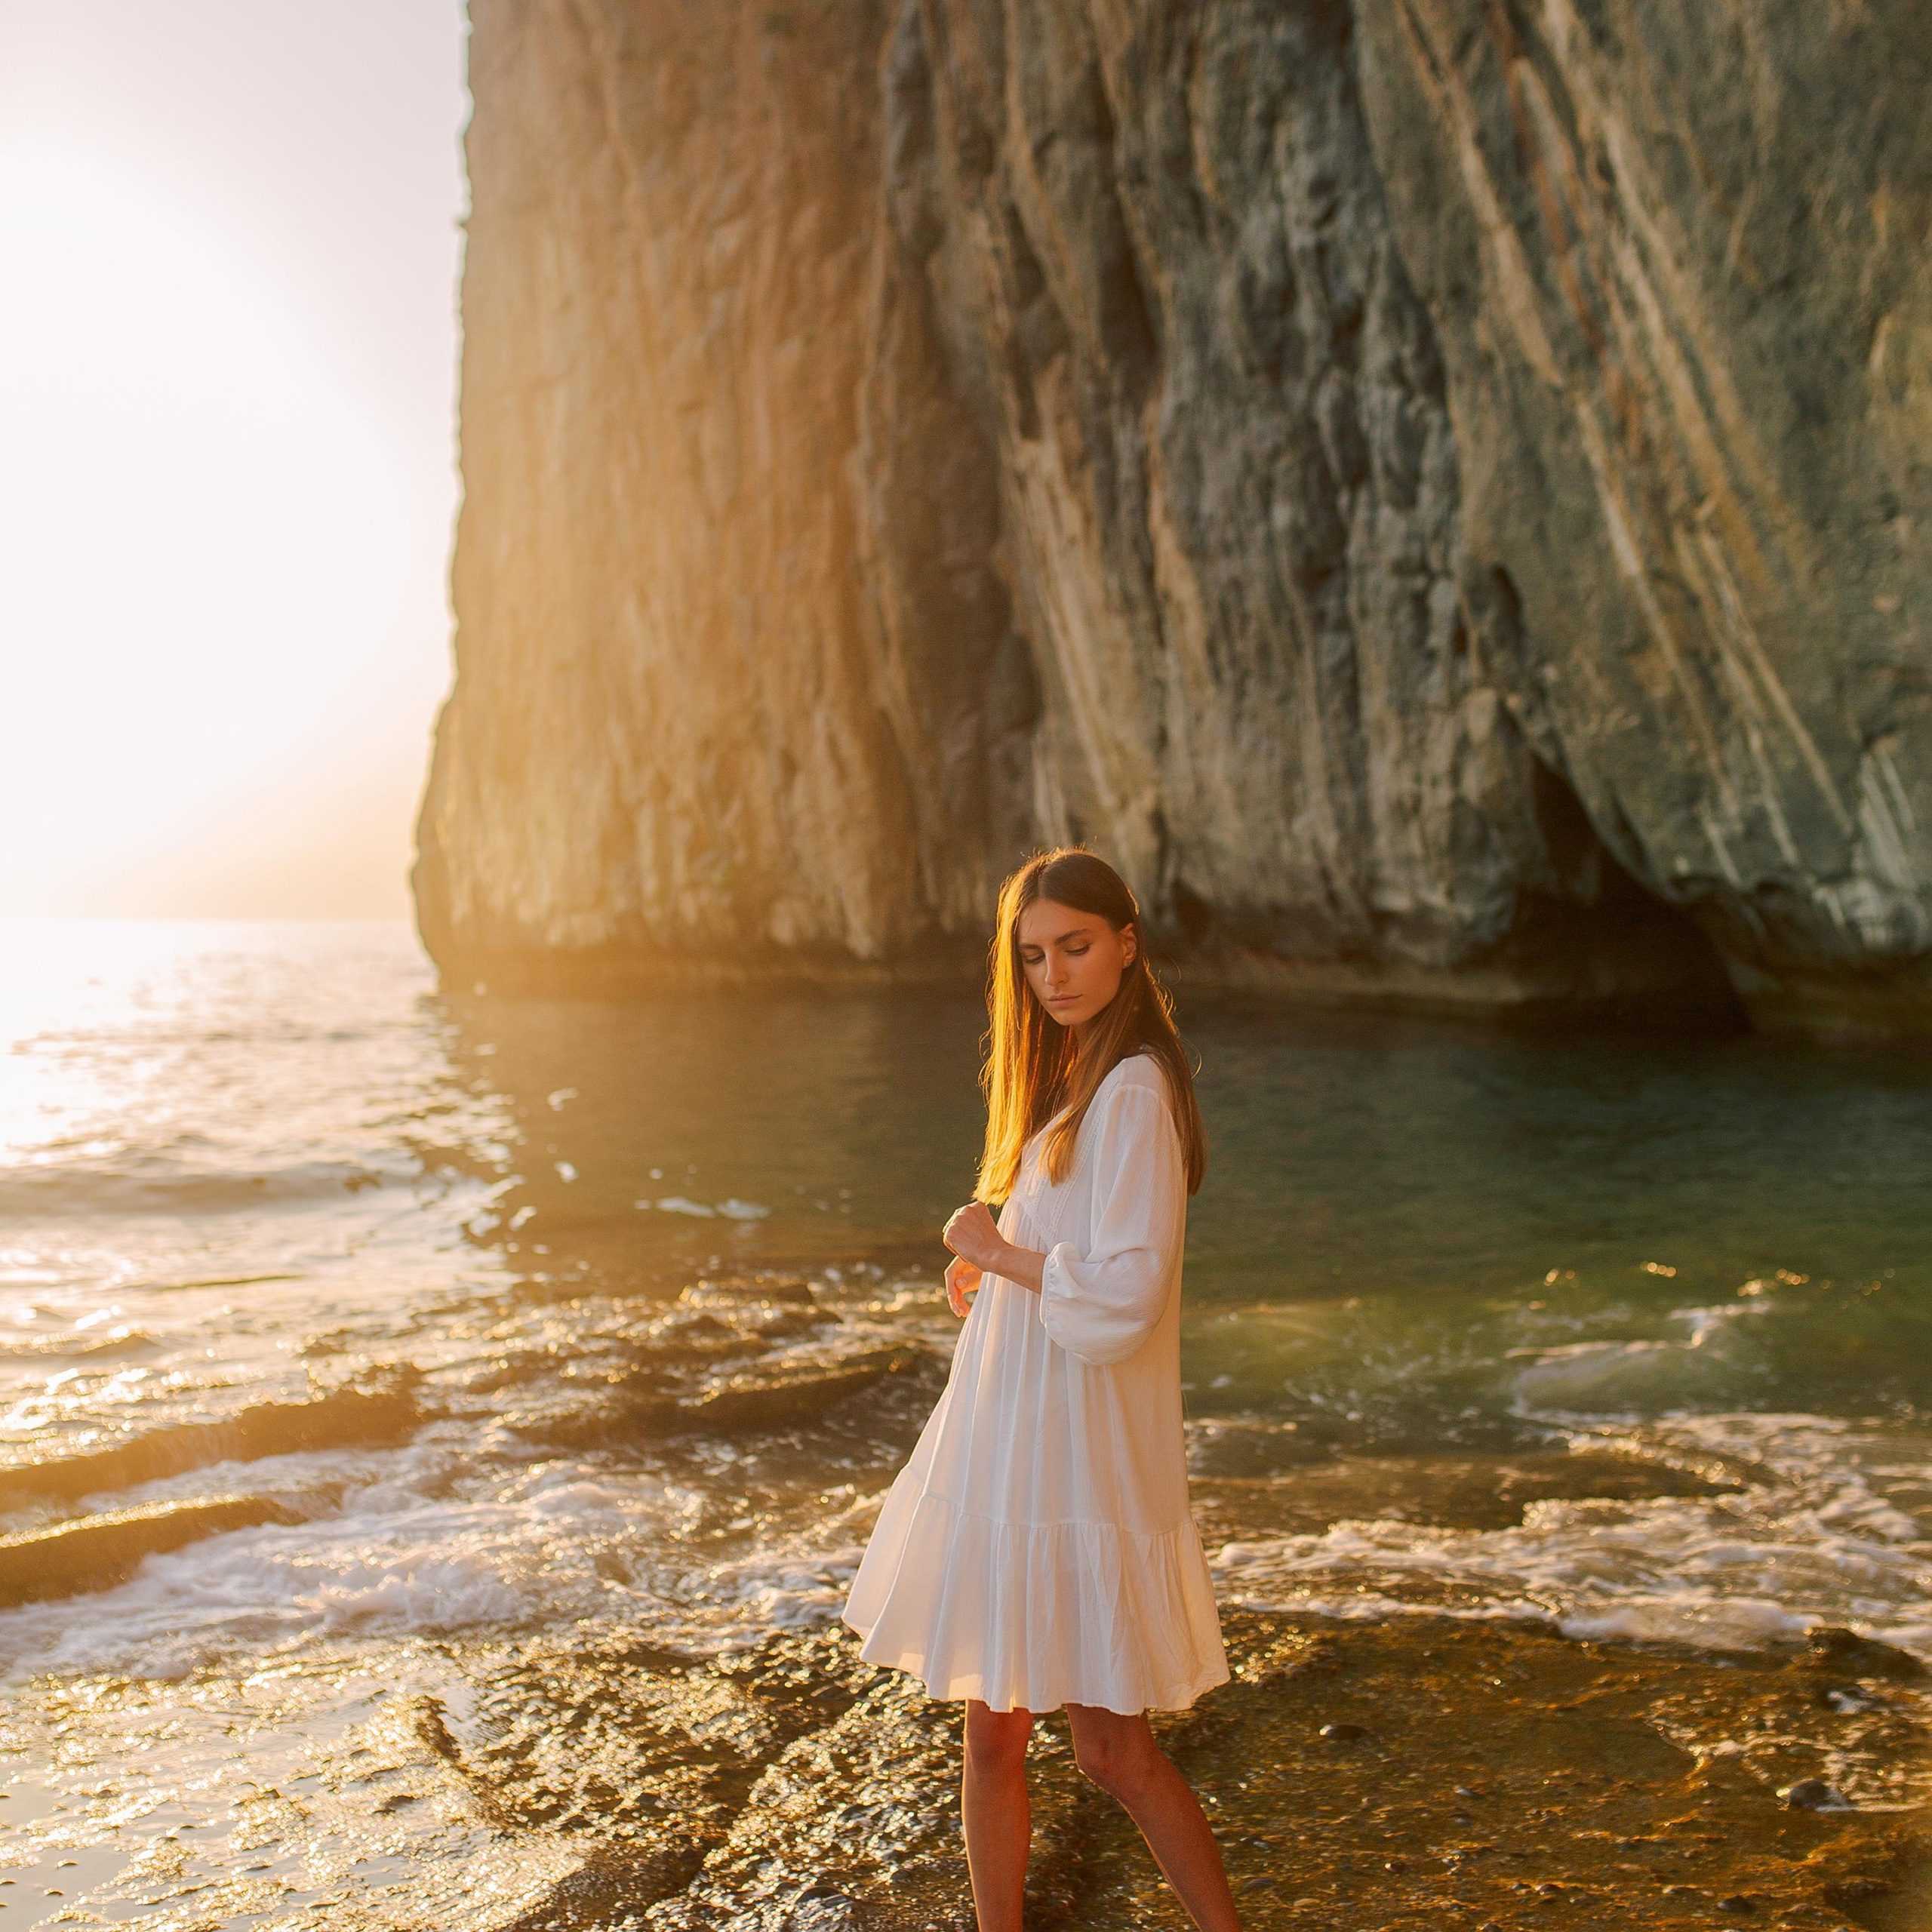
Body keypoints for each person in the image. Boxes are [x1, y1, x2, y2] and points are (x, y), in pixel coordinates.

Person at [839, 846, 1243, 1932]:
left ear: (1126, 943)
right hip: (1018, 1442)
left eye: (1074, 947)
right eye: (1033, 956)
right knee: (993, 1732)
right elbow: (1073, 1253)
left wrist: (1004, 1251)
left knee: (1113, 1750)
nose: (1054, 974)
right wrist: (993, 1262)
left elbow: (1127, 1294)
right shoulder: (1070, 1077)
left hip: (1073, 1458)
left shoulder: (1136, 1089)